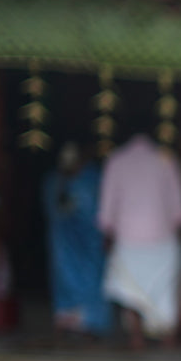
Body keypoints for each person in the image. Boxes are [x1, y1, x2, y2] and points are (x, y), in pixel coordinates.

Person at [98, 123, 181, 349]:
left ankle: (136, 337)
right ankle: (168, 338)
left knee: (130, 288)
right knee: (164, 291)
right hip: (162, 237)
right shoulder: (165, 159)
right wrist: (179, 231)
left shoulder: (116, 160)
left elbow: (107, 207)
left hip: (128, 238)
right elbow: (178, 207)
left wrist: (107, 232)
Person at [41, 142, 112, 337]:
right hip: (64, 246)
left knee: (92, 283)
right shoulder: (54, 182)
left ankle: (92, 326)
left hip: (90, 245)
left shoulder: (91, 180)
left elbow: (99, 212)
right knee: (64, 281)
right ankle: (66, 324)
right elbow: (53, 210)